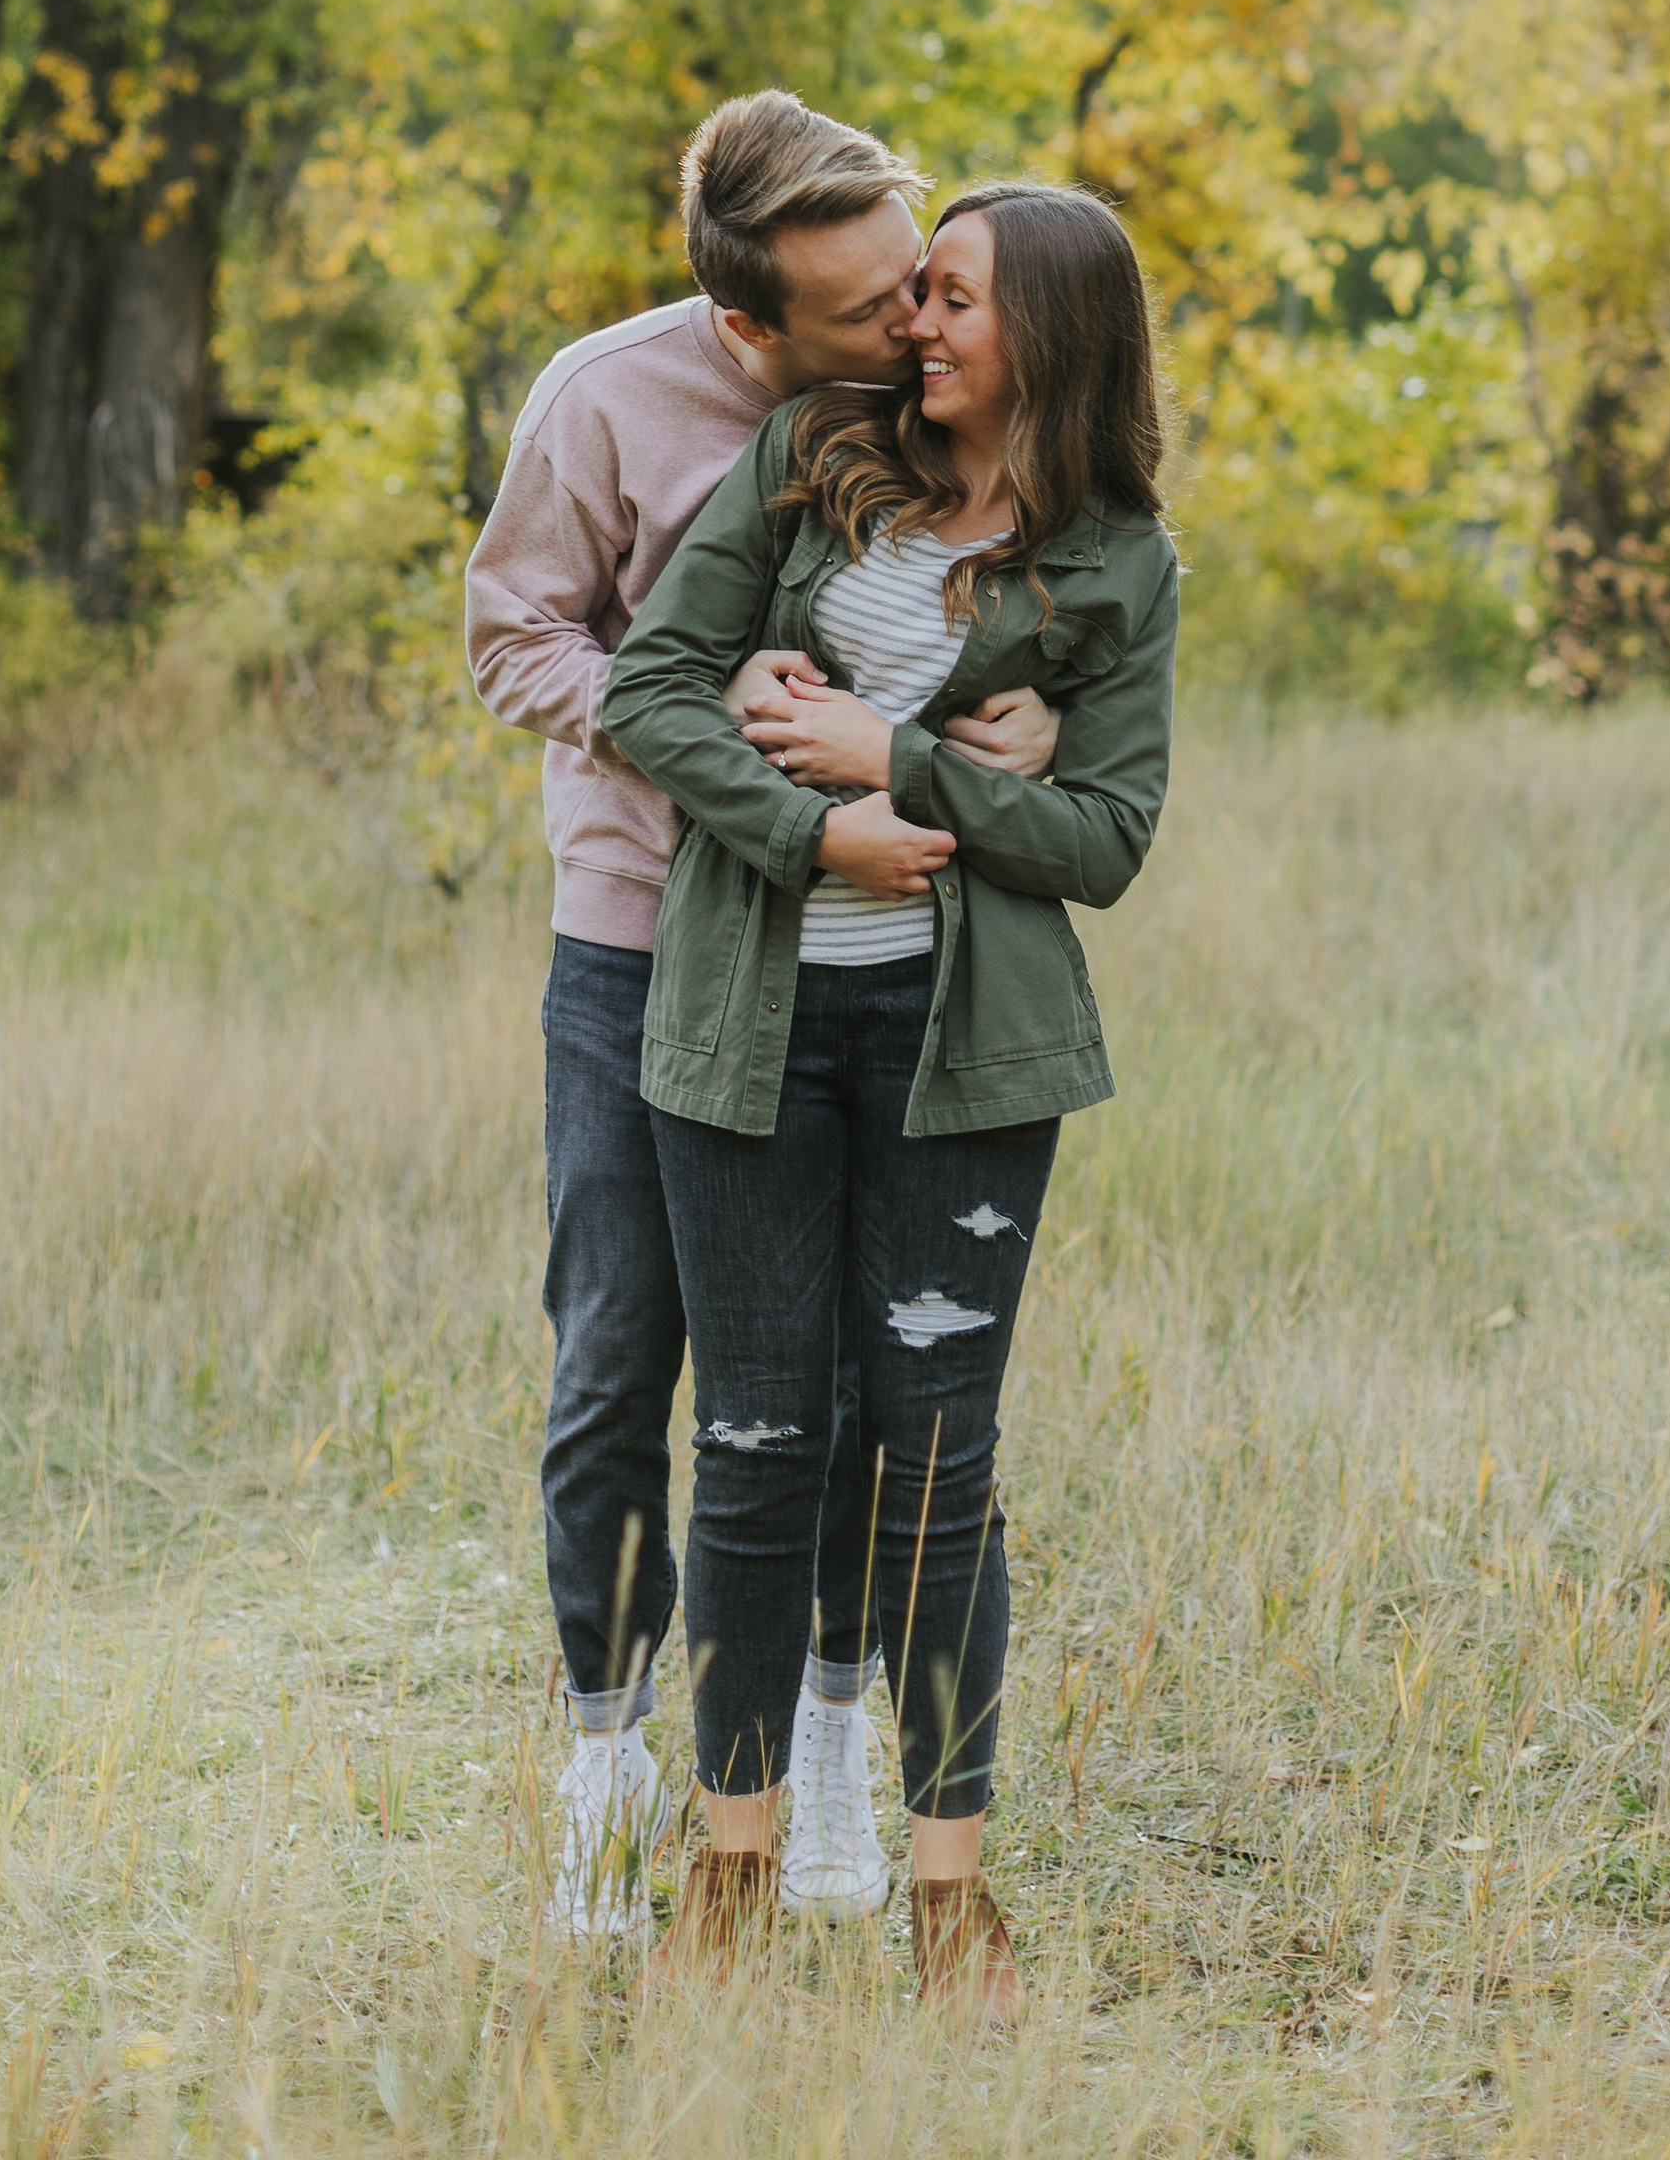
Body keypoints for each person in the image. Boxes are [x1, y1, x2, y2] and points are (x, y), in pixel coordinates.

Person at [465, 96, 1063, 1939]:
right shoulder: (607, 400)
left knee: (828, 1395)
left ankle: (817, 1740)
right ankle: (605, 1755)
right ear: (753, 331)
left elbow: (1066, 571)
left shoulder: (938, 390)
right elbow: (514, 638)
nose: (916, 325)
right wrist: (707, 706)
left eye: (916, 278)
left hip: (865, 954)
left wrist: (1025, 712)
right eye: (869, 307)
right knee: (622, 1353)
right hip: (646, 938)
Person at [600, 182, 1178, 2014]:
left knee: (940, 1466)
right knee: (759, 1451)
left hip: (964, 1064)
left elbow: (1107, 839)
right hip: (748, 1040)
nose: (914, 327)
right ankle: (733, 1861)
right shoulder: (803, 461)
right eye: (915, 292)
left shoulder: (1116, 560)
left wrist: (902, 752)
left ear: (1055, 338)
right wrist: (817, 819)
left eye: (954, 300)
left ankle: (950, 1898)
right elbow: (651, 689)